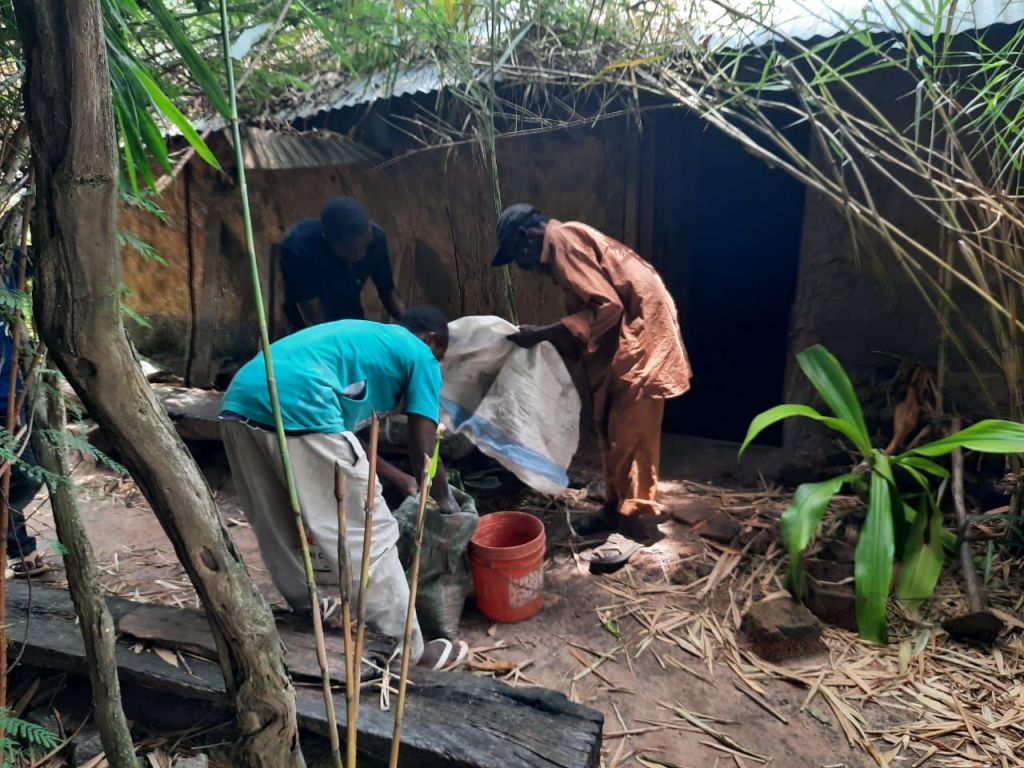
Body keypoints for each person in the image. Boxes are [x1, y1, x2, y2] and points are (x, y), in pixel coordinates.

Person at [220, 306, 467, 669]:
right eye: (440, 355)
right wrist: (443, 497)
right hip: (300, 402)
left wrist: (401, 480)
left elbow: (343, 439)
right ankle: (408, 649)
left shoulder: (366, 344)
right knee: (370, 531)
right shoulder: (421, 354)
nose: (437, 364)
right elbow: (424, 444)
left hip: (240, 400)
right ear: (431, 340)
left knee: (275, 519)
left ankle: (308, 610)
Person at [492, 204, 692, 569]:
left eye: (516, 256)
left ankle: (631, 527)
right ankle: (613, 509)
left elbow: (608, 306)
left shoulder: (563, 242)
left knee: (630, 434)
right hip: (627, 338)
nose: (521, 266)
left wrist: (544, 333)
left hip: (642, 337)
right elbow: (596, 309)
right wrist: (555, 338)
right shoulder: (565, 242)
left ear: (525, 238)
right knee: (610, 429)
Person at [279, 196, 406, 331]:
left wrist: (410, 325)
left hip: (349, 310)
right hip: (309, 322)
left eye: (365, 246)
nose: (361, 254)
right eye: (352, 250)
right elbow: (312, 313)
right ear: (329, 240)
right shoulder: (298, 249)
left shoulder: (376, 238)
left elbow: (387, 291)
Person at [1, 246, 46, 579]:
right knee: (20, 478)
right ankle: (19, 548)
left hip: (13, 399)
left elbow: (36, 257)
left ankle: (17, 547)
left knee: (25, 477)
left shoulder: (4, 271)